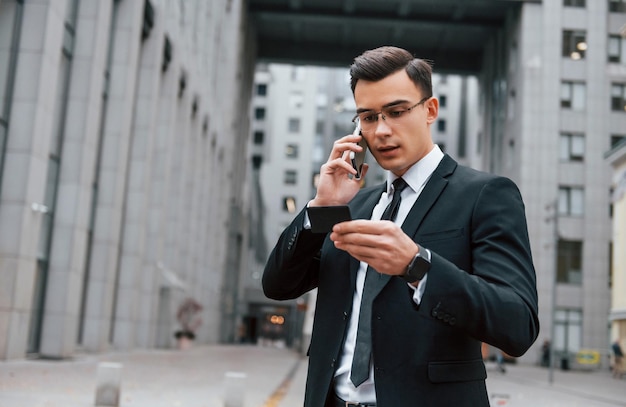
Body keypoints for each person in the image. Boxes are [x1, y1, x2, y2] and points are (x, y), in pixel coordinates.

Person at [263, 46, 539, 407]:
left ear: (430, 110)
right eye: (368, 117)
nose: (381, 130)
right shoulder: (353, 207)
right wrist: (323, 207)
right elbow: (278, 285)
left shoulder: (485, 195)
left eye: (395, 112)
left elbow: (517, 324)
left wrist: (418, 266)